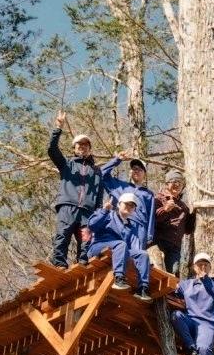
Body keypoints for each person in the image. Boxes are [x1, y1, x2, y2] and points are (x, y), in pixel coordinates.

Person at [46, 112, 105, 267]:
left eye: (85, 145)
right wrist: (58, 128)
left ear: (89, 148)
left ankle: (83, 264)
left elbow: (99, 195)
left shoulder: (96, 171)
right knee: (62, 236)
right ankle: (59, 264)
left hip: (87, 212)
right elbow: (52, 149)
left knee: (86, 240)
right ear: (74, 148)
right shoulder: (67, 164)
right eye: (79, 145)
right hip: (67, 207)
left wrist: (97, 212)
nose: (82, 147)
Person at [84, 191, 150, 298]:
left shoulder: (131, 226)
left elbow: (133, 247)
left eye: (132, 205)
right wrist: (104, 210)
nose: (129, 207)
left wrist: (144, 263)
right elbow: (92, 225)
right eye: (126, 204)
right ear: (119, 204)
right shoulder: (108, 214)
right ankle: (119, 278)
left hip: (119, 250)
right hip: (98, 247)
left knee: (142, 254)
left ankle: (143, 288)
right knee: (121, 244)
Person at [101, 155, 156, 250]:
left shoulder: (148, 194)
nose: (137, 171)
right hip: (120, 222)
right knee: (119, 253)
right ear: (130, 172)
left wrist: (149, 235)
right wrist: (117, 159)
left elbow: (151, 216)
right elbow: (102, 173)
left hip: (139, 228)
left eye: (140, 169)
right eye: (134, 168)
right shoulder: (119, 186)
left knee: (135, 259)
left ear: (145, 174)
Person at [153, 172, 196, 275]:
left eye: (180, 183)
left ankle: (171, 292)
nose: (177, 185)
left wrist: (193, 215)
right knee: (157, 271)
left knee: (174, 272)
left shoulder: (184, 207)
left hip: (175, 246)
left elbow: (187, 230)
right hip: (159, 242)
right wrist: (165, 209)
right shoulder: (158, 199)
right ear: (167, 184)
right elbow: (152, 220)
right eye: (174, 182)